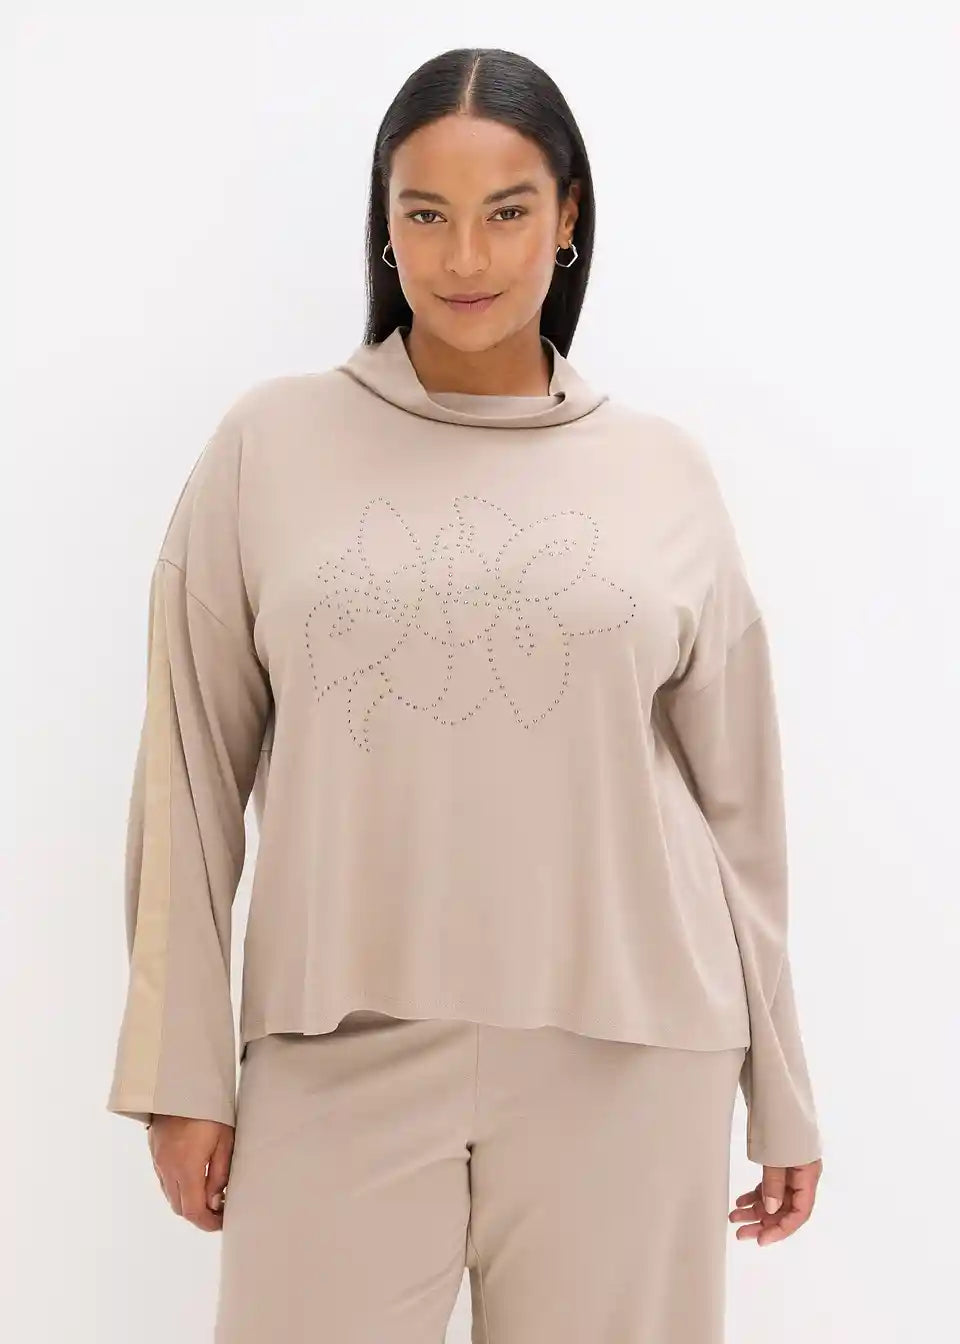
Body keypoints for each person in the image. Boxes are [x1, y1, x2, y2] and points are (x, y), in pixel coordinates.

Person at [105, 45, 824, 1344]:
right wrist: (180, 1073)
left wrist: (784, 1088)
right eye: (425, 213)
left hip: (632, 1058)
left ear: (568, 217)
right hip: (337, 1052)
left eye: (507, 211)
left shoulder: (662, 471)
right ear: (383, 226)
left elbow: (743, 814)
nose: (465, 257)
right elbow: (189, 780)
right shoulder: (271, 446)